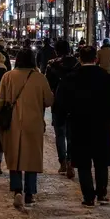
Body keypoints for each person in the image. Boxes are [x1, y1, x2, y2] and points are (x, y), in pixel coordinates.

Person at [55, 45, 110, 206]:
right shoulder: (105, 77)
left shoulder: (72, 77)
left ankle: (88, 196)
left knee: (83, 162)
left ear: (80, 59)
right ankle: (102, 193)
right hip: (101, 124)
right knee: (101, 161)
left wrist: (61, 118)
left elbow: (61, 102)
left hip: (79, 124)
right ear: (95, 58)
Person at [0, 48, 54, 209]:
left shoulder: (8, 77)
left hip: (12, 123)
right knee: (32, 158)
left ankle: (17, 189)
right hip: (33, 123)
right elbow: (49, 100)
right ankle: (30, 193)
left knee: (14, 156)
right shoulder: (39, 78)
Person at [45, 39, 79, 178]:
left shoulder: (52, 65)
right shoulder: (77, 64)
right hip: (74, 103)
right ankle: (71, 161)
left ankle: (63, 162)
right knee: (72, 135)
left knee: (60, 134)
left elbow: (48, 85)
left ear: (56, 50)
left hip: (58, 103)